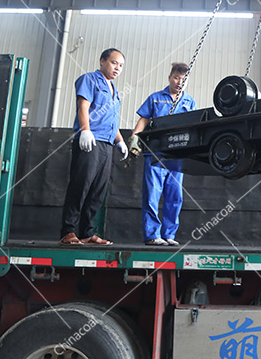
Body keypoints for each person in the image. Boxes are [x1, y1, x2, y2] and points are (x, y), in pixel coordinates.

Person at [59, 48, 128, 246]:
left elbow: (112, 120)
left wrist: (120, 141)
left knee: (98, 190)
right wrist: (85, 130)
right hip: (90, 141)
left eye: (121, 66)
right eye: (114, 63)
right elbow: (83, 107)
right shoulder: (89, 79)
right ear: (102, 61)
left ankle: (87, 232)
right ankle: (68, 231)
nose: (117, 68)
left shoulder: (114, 90)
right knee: (81, 185)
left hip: (107, 144)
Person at [129, 63, 196, 246]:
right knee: (152, 194)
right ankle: (152, 235)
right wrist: (134, 138)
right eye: (176, 77)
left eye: (183, 79)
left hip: (177, 157)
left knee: (175, 197)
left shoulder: (189, 102)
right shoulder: (156, 99)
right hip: (155, 154)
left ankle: (169, 235)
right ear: (169, 78)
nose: (179, 82)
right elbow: (144, 119)